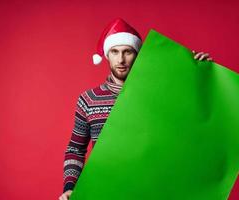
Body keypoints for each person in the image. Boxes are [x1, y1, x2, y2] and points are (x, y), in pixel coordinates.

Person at [59, 18, 212, 200]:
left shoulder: (155, 95)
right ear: (107, 55)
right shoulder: (89, 99)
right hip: (105, 189)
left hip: (151, 190)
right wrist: (70, 187)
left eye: (128, 52)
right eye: (115, 52)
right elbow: (75, 149)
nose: (121, 59)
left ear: (137, 54)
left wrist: (198, 72)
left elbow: (189, 121)